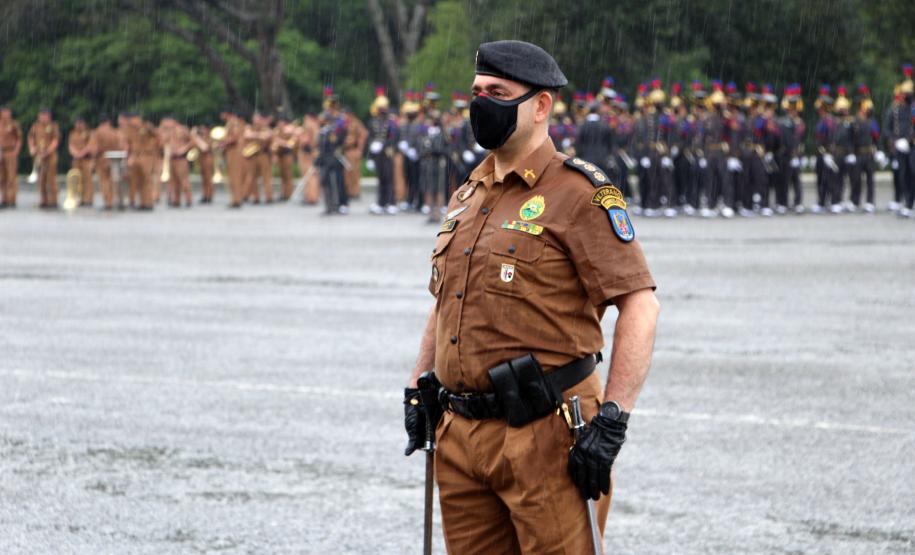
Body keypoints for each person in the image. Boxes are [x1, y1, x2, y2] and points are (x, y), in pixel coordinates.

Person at [403, 40, 659, 553]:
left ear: (540, 106)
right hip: (461, 436)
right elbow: (446, 298)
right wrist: (419, 383)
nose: (481, 105)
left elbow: (639, 302)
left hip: (547, 435)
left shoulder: (579, 193)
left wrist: (615, 416)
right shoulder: (468, 195)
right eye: (476, 92)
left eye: (498, 92)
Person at [367, 87, 399, 215]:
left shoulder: (391, 123)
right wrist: (371, 150)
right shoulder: (373, 122)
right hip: (377, 154)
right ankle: (381, 202)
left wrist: (382, 144)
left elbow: (393, 137)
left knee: (389, 178)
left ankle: (391, 203)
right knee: (380, 179)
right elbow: (370, 137)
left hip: (387, 153)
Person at [28, 109, 61, 209]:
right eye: (41, 115)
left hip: (50, 156)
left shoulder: (53, 126)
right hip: (39, 156)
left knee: (51, 179)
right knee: (41, 179)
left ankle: (53, 201)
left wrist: (47, 151)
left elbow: (55, 140)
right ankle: (43, 200)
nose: (43, 117)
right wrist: (32, 148)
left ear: (49, 116)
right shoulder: (35, 126)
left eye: (45, 115)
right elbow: (30, 138)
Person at [93, 115, 126, 210]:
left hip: (102, 158)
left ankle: (107, 203)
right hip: (114, 159)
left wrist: (94, 158)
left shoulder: (97, 132)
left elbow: (95, 148)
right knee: (112, 181)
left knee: (104, 181)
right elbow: (121, 145)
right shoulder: (115, 131)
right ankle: (113, 200)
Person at [67, 116, 96, 207]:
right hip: (76, 160)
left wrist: (81, 153)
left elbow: (90, 145)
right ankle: (78, 199)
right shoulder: (72, 134)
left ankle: (88, 199)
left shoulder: (89, 133)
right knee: (76, 180)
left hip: (86, 159)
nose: (79, 125)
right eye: (77, 123)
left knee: (87, 180)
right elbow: (70, 145)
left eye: (81, 123)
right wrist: (76, 154)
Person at [0, 106, 23, 208]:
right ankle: (4, 199)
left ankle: (11, 200)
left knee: (11, 176)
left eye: (7, 112)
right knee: (2, 177)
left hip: (10, 152)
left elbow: (19, 138)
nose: (5, 114)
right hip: (0, 152)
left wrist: (16, 151)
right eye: (4, 112)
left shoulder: (13, 124)